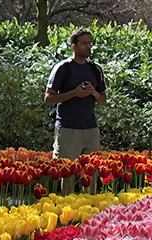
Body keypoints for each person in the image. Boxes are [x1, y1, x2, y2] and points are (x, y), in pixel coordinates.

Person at [44, 29, 106, 160]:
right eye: (84, 43)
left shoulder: (96, 69)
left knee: (90, 175)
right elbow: (48, 99)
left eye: (90, 43)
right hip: (67, 129)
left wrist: (93, 92)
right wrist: (74, 93)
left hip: (91, 130)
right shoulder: (63, 68)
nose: (88, 46)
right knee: (66, 174)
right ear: (74, 46)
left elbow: (103, 100)